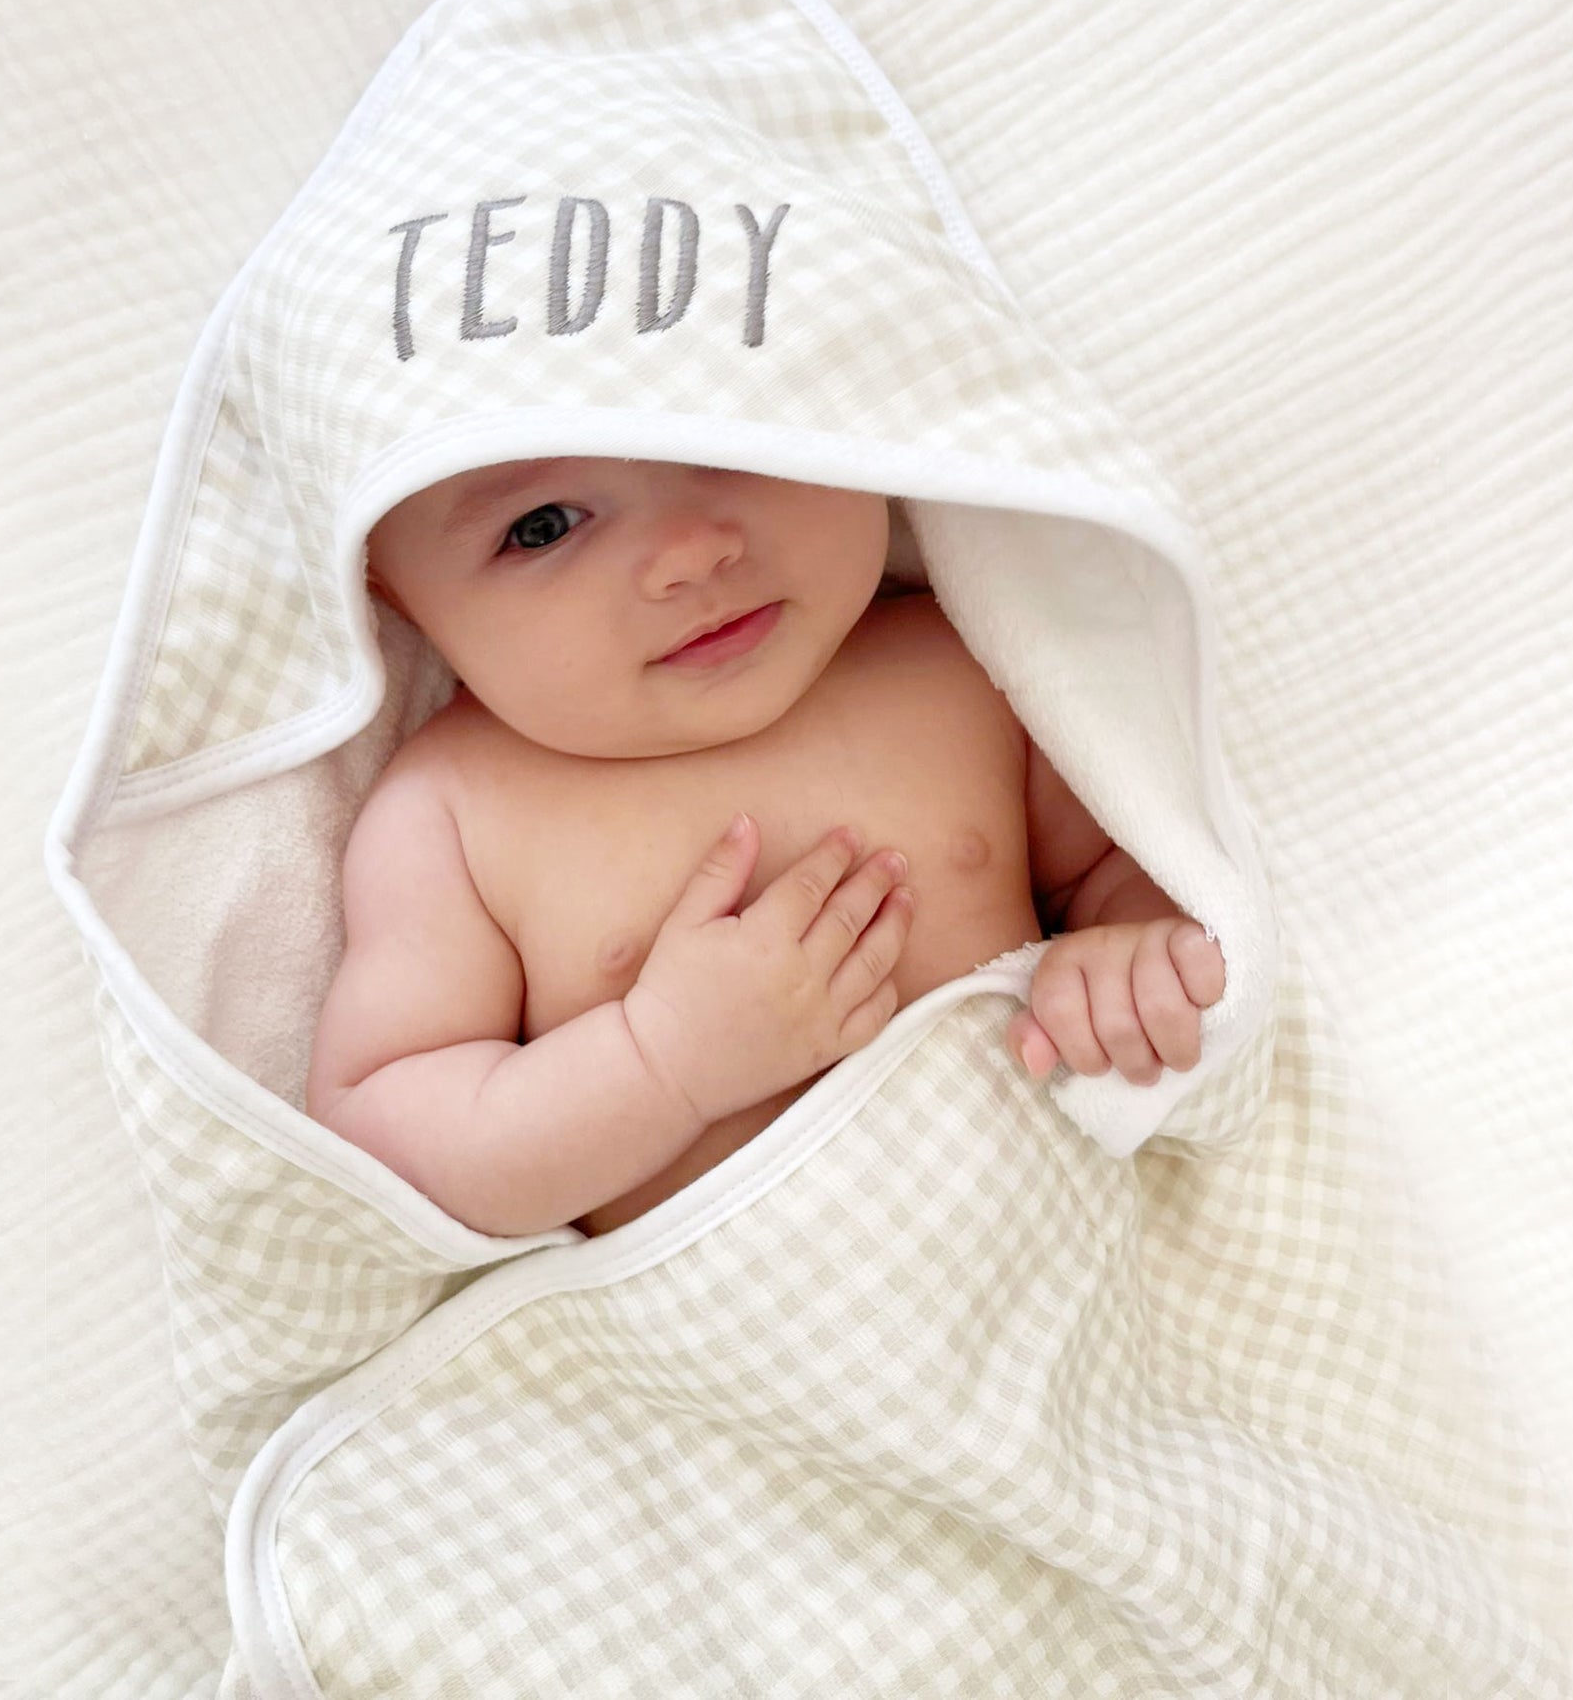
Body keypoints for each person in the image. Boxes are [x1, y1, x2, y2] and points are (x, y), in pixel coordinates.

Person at [306, 457, 1226, 1238]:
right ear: (390, 593)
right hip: (713, 1357)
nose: (691, 552)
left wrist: (1120, 957)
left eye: (729, 447)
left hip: (1034, 1264)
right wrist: (660, 1063)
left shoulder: (967, 663)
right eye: (542, 527)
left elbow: (1120, 871)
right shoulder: (451, 813)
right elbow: (378, 1142)